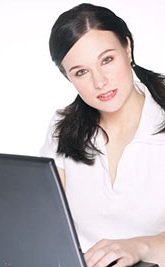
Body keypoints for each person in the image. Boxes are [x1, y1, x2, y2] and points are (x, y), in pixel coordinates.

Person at [40, 3, 165, 267]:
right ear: (68, 77)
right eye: (81, 72)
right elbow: (46, 224)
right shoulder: (63, 127)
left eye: (107, 60)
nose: (100, 82)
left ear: (127, 49)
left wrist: (140, 246)